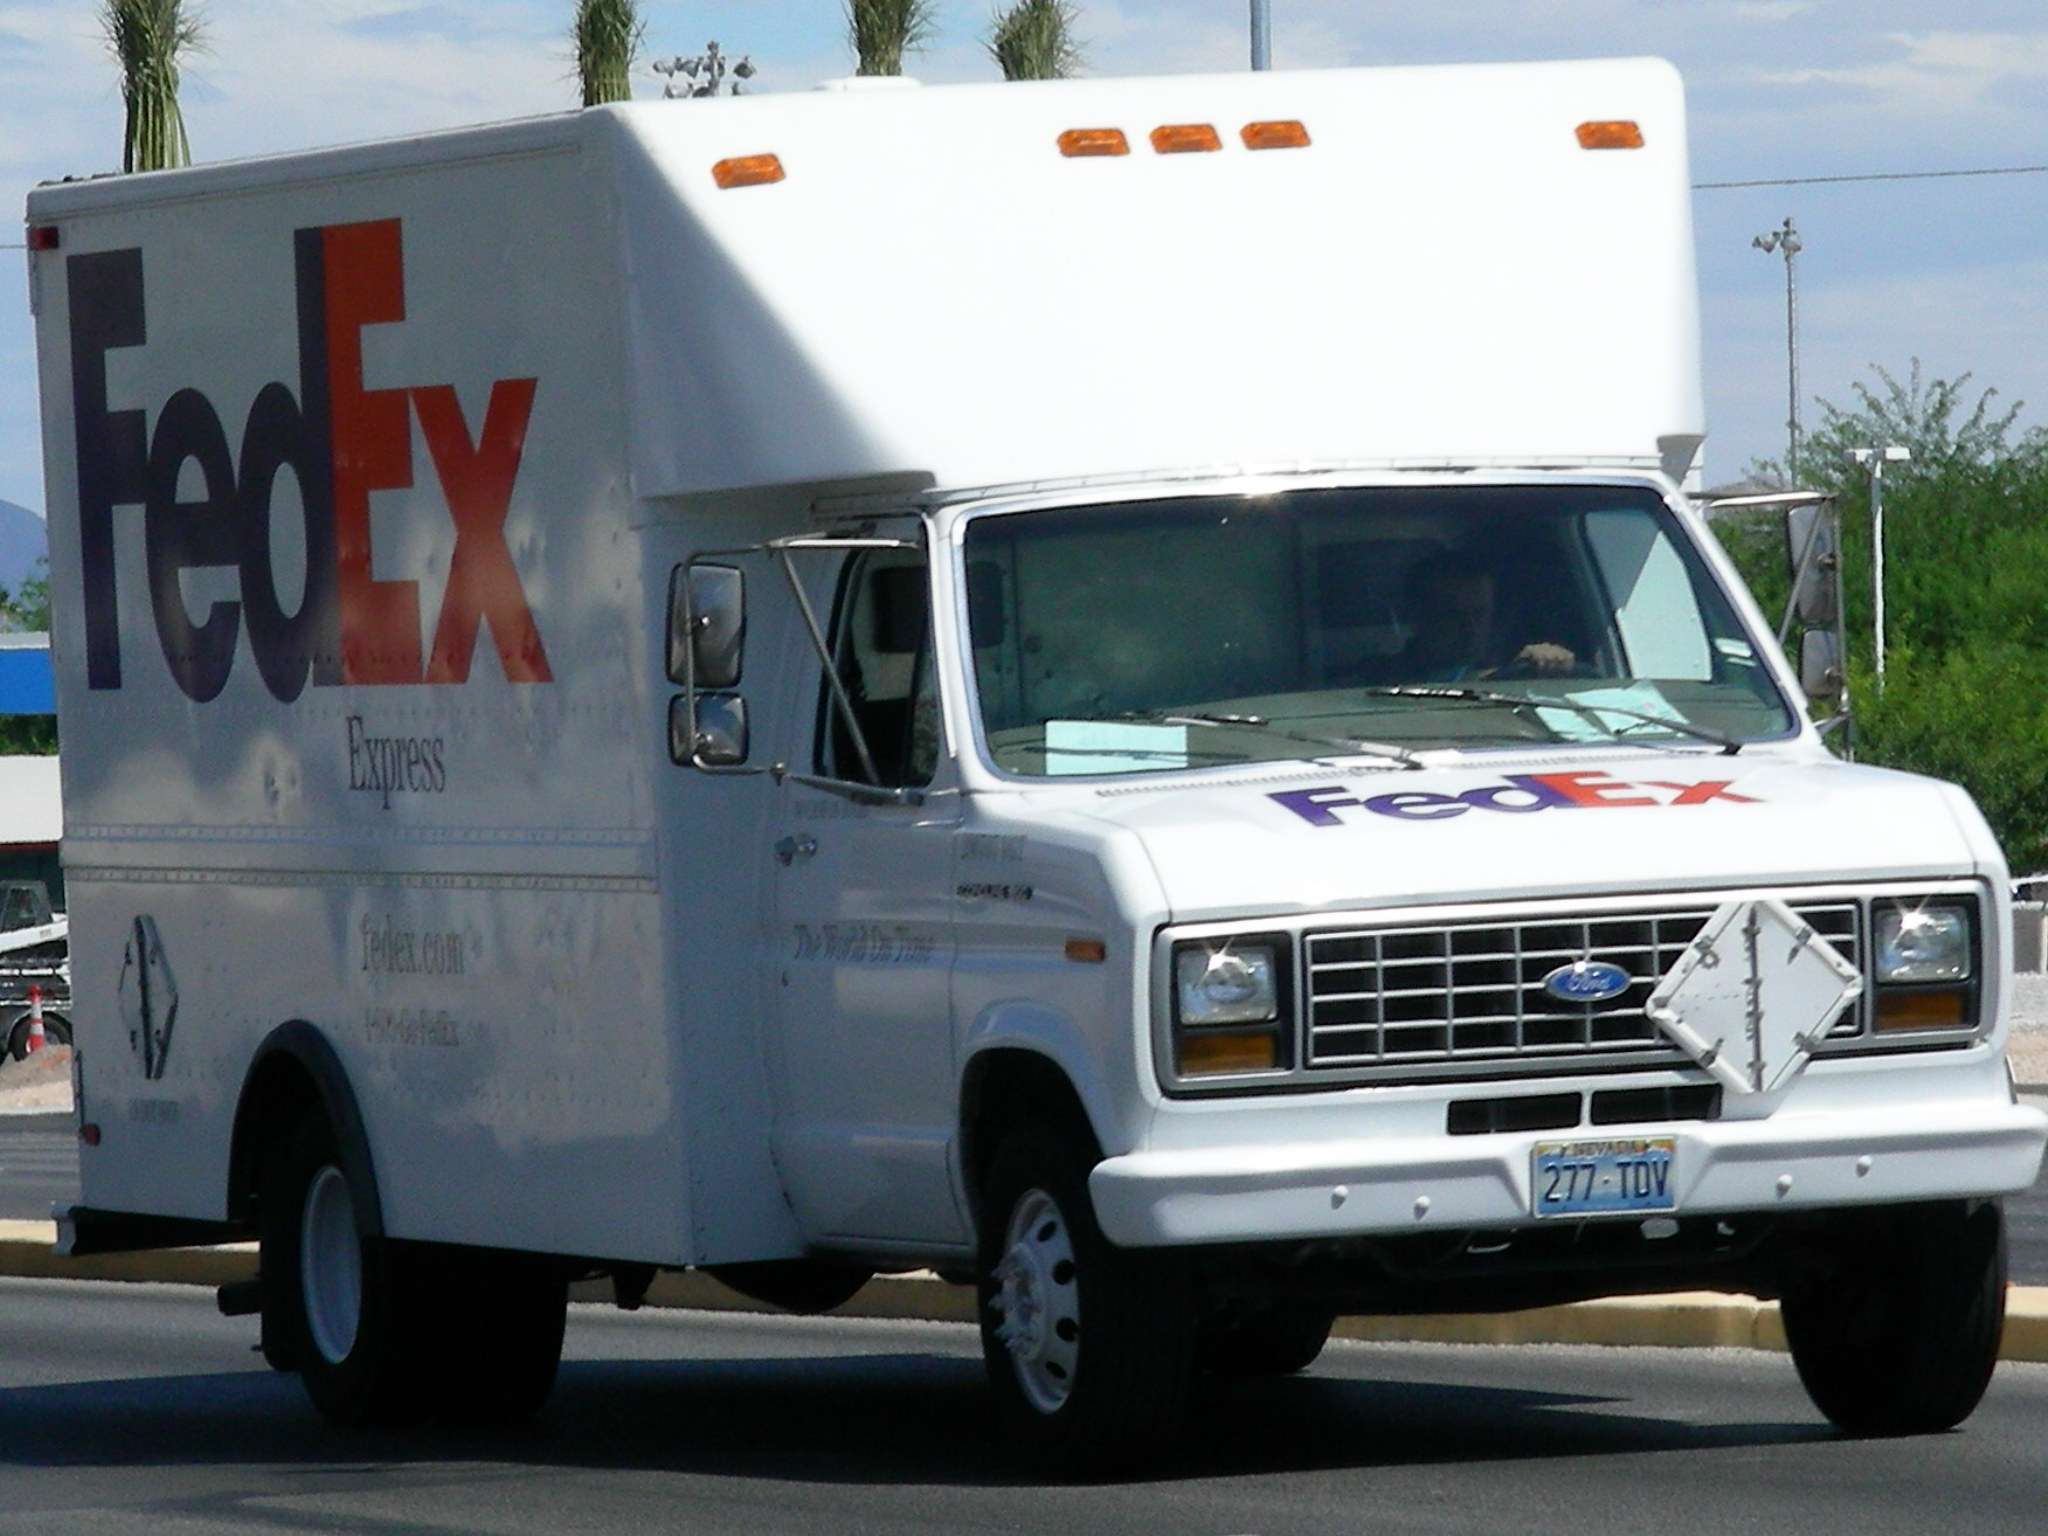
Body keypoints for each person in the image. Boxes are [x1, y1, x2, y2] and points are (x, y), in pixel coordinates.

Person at [1397, 549, 1575, 682]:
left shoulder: (1514, 668)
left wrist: (1547, 666)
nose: (1470, 628)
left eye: (1479, 613)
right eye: (1453, 615)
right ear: (1417, 619)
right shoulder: (1379, 681)